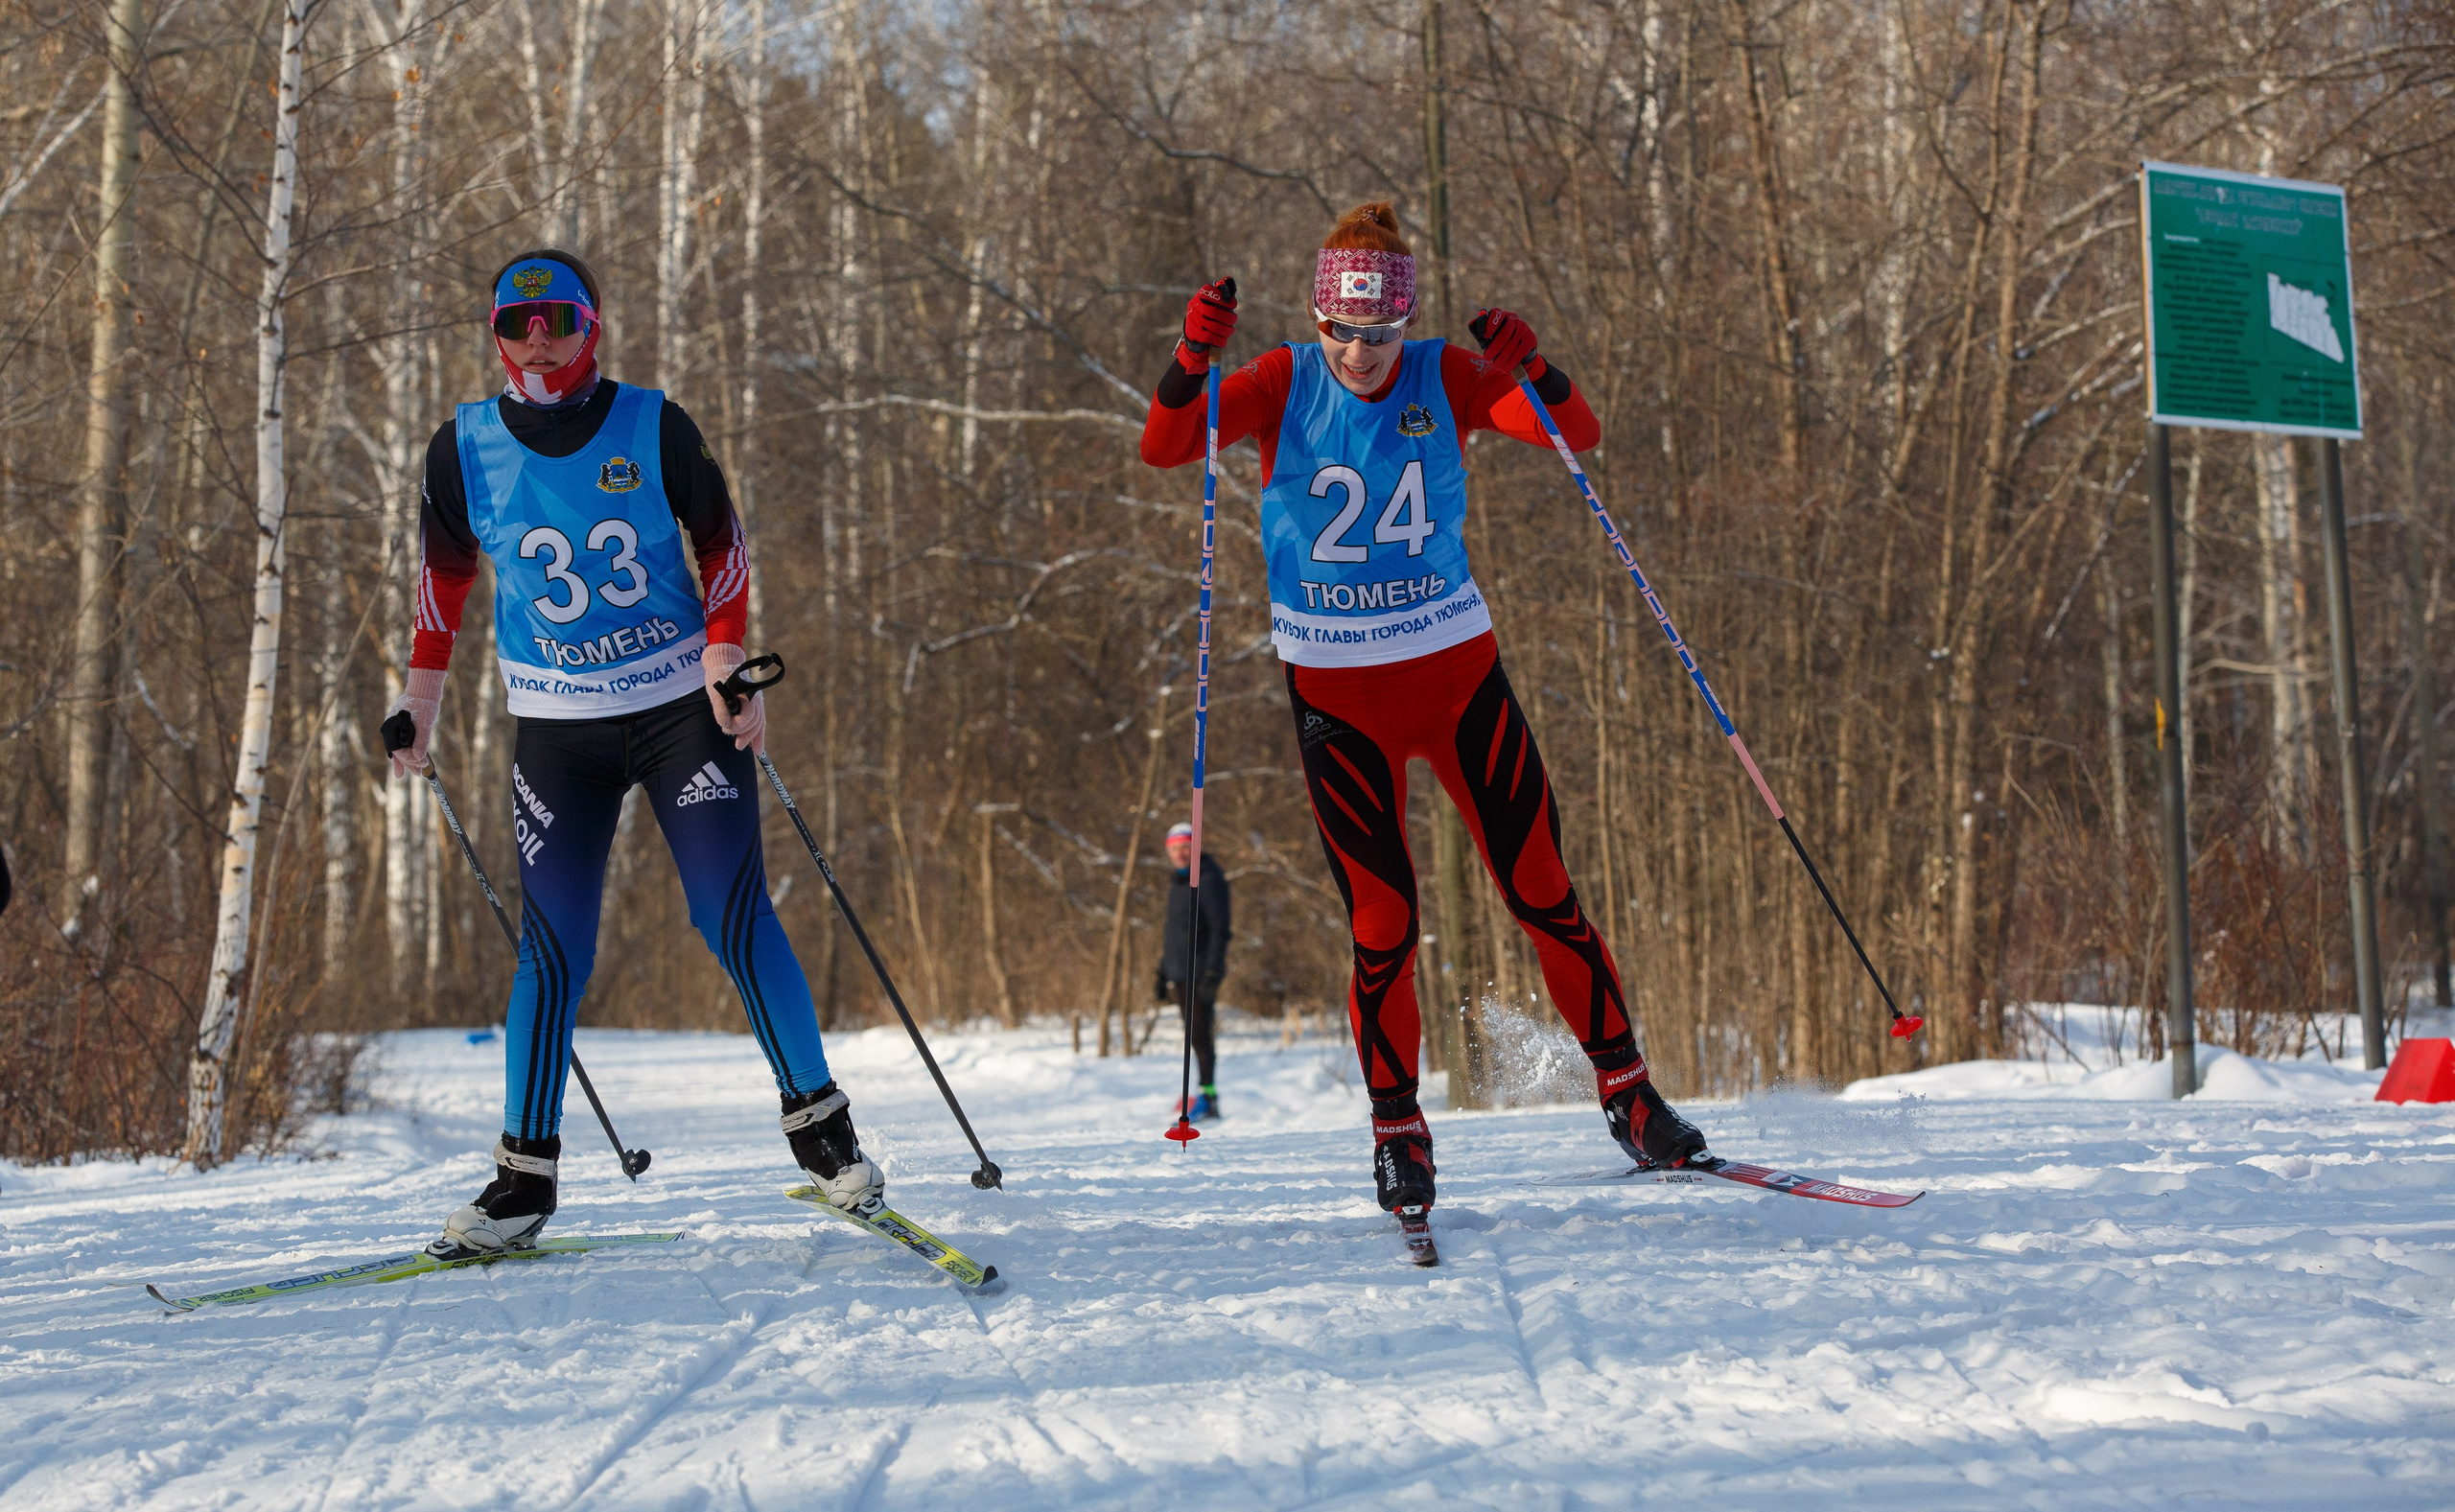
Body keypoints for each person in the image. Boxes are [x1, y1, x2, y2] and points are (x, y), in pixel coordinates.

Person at [1138, 203, 1712, 1221]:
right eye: (1341, 330)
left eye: (1380, 333)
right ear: (1315, 317)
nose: (1360, 353)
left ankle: (1628, 1095)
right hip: (1336, 694)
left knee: (1541, 888)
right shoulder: (1279, 379)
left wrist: (1531, 367)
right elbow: (1167, 444)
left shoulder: (1443, 374)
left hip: (1456, 675)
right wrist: (1192, 351)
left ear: (1407, 324)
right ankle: (1398, 1130)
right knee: (1383, 922)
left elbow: (1573, 433)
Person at [386, 248, 880, 1257]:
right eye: (518, 324)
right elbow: (442, 586)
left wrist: (727, 654)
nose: (539, 341)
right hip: (555, 725)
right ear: (494, 332)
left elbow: (724, 544)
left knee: (727, 909)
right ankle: (522, 1179)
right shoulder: (462, 448)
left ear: (592, 324)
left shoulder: (652, 423)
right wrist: (418, 705)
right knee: (554, 944)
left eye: (558, 319)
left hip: (675, 709)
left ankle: (826, 1138)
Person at [1156, 820, 1230, 1120]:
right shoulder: (1177, 882)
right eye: (1174, 849)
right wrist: (1162, 971)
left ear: (1195, 847)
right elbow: (1175, 932)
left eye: (1186, 847)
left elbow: (1219, 928)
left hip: (1200, 972)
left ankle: (1208, 1097)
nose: (1180, 854)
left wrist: (1213, 971)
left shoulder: (1209, 879)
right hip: (1179, 972)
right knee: (1192, 1035)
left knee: (1199, 1034)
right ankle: (1199, 1093)